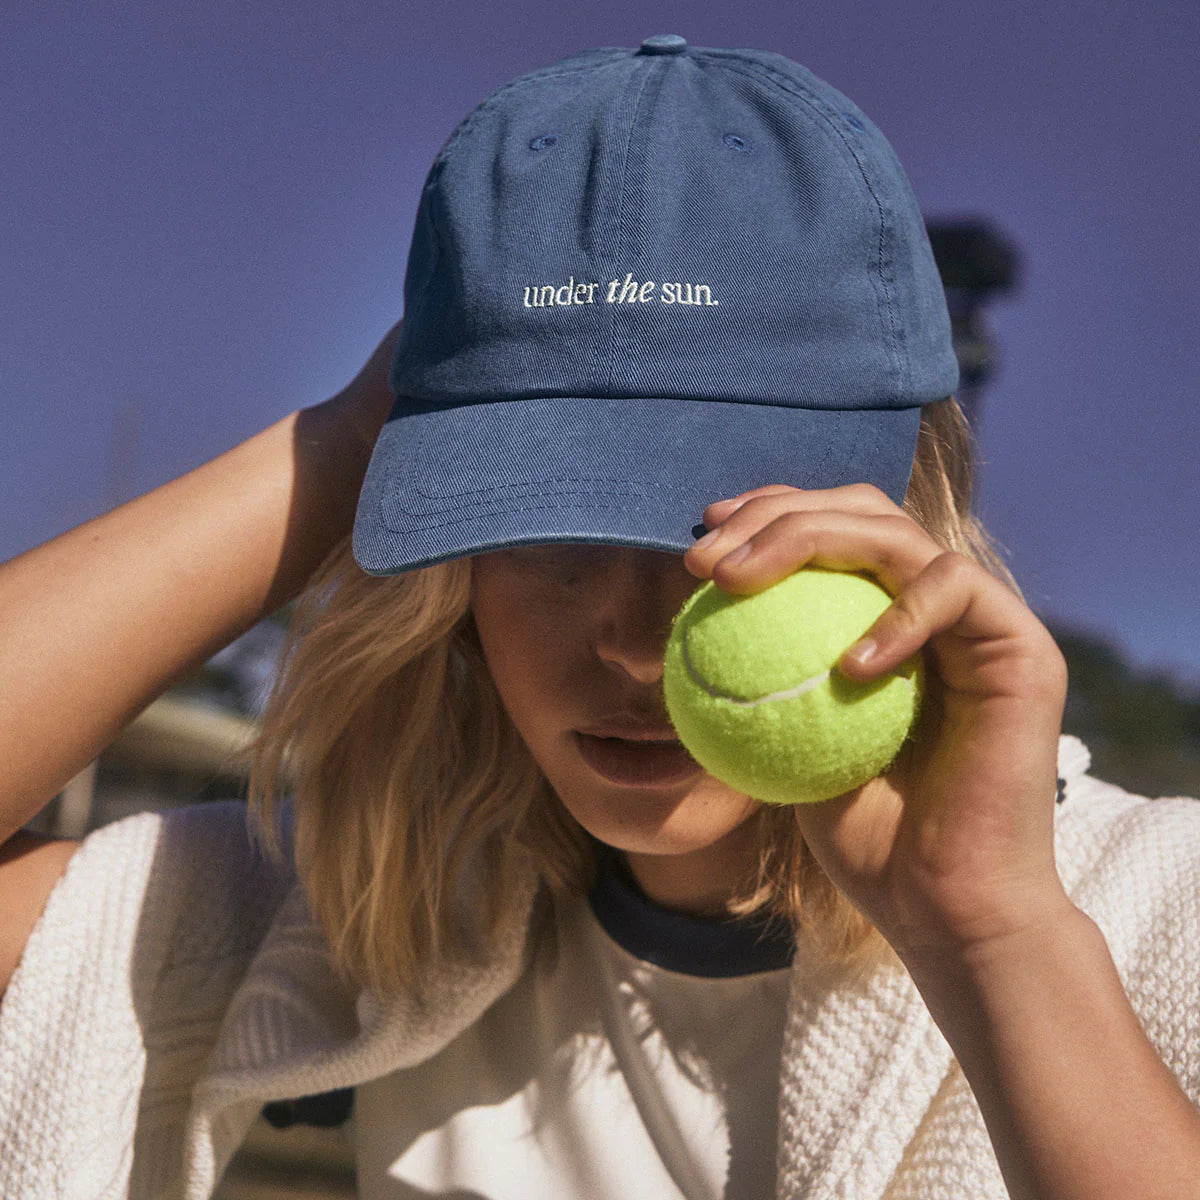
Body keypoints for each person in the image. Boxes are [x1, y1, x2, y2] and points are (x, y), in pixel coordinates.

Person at [1, 33, 1198, 1200]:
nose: (629, 640)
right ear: (453, 568)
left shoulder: (1158, 907)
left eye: (723, 538)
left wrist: (995, 939)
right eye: (539, 536)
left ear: (899, 522)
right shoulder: (388, 915)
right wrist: (356, 433)